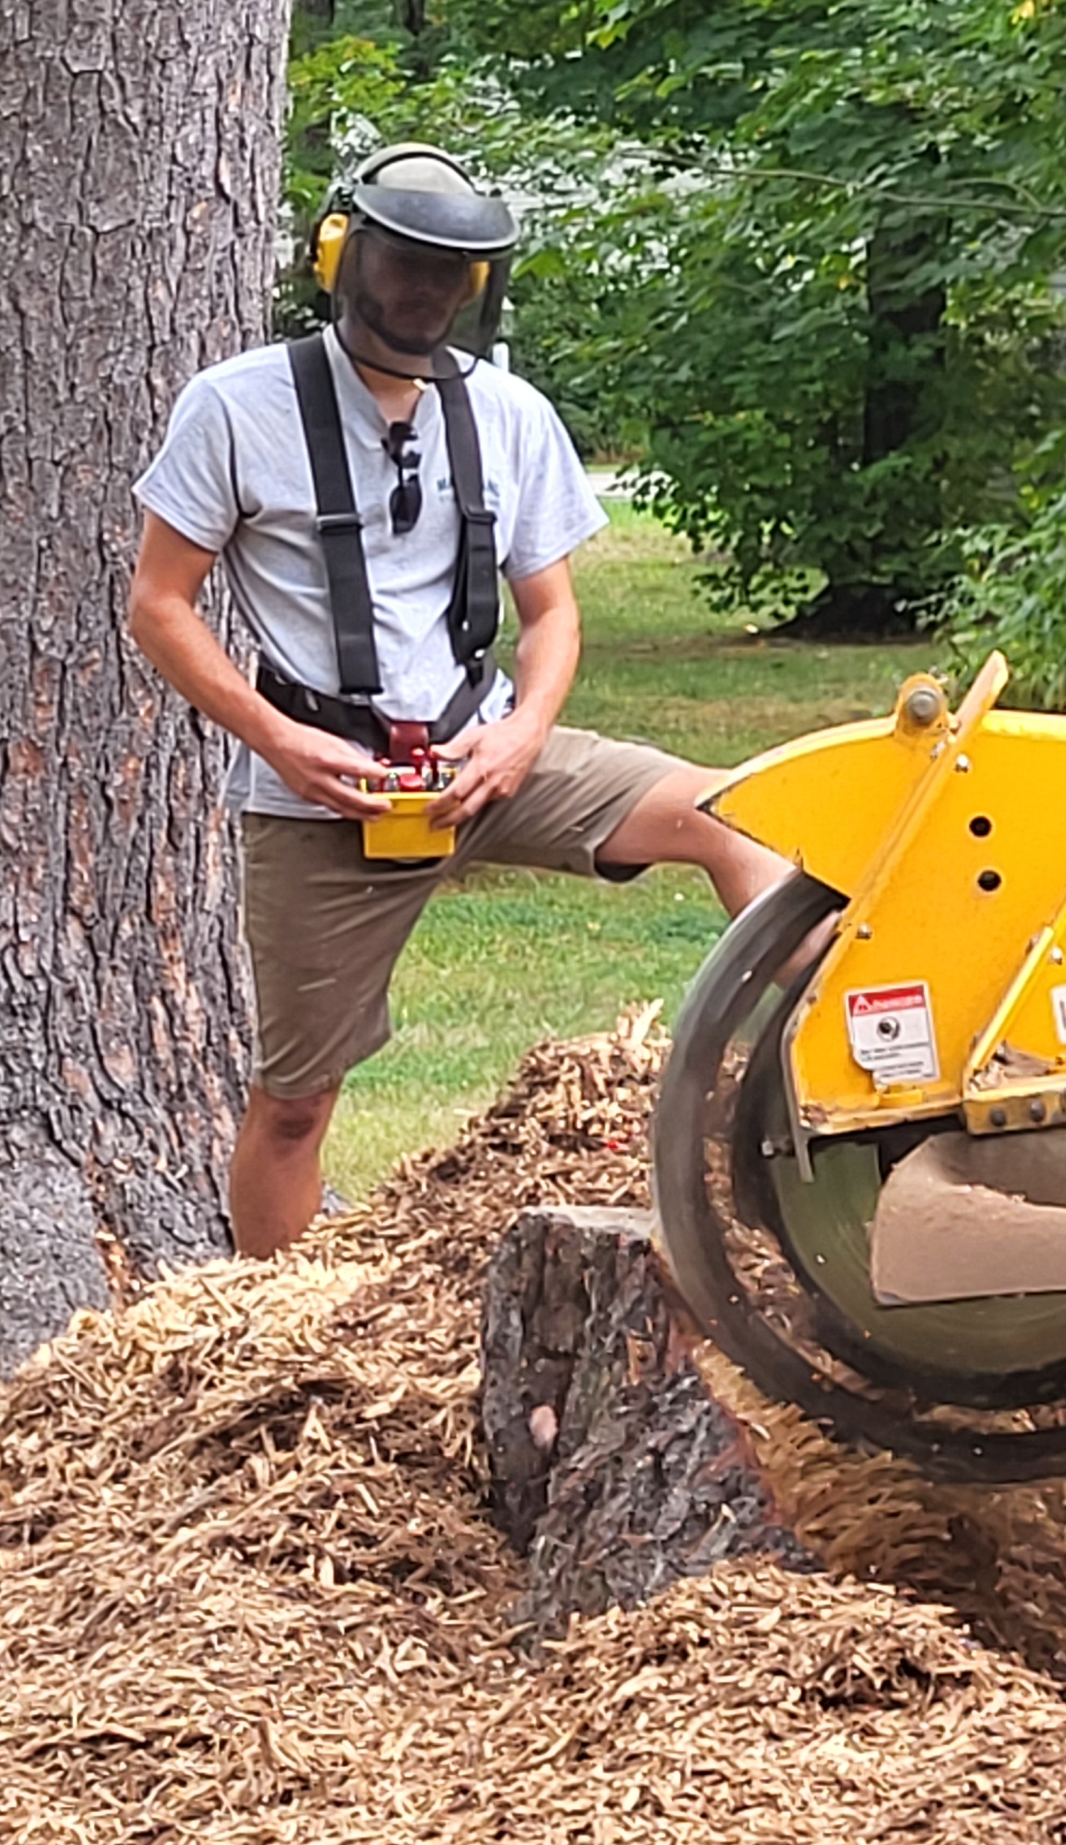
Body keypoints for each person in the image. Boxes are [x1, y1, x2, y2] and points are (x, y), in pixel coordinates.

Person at [127, 143, 794, 1253]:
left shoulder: (510, 414)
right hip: (322, 797)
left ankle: (841, 1076)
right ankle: (263, 1338)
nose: (427, 290)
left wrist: (522, 735)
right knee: (294, 1102)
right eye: (405, 261)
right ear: (342, 255)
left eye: (454, 271)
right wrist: (281, 743)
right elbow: (160, 604)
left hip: (488, 757)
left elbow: (556, 613)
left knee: (744, 815)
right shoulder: (235, 408)